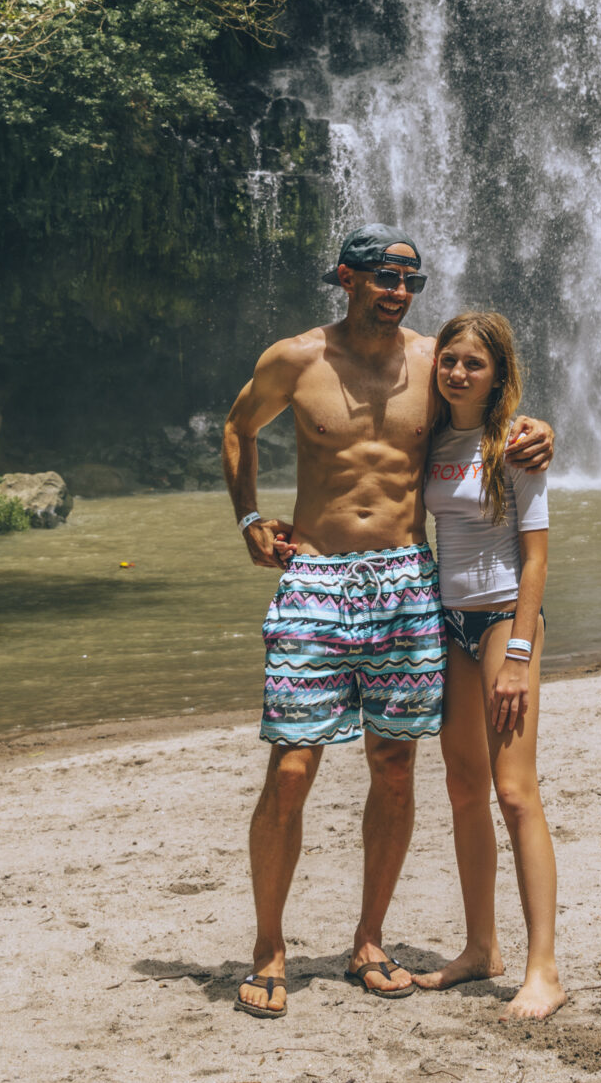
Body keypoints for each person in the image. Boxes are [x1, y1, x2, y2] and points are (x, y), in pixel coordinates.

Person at [221, 224, 554, 1020]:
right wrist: (248, 520)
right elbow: (237, 430)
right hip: (317, 577)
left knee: (396, 768)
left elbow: (491, 406)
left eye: (410, 280)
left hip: (408, 582)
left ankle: (369, 939)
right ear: (345, 277)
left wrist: (537, 430)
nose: (397, 291)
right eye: (381, 277)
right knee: (293, 767)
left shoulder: (432, 363)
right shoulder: (294, 360)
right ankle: (269, 946)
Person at [413, 312, 564, 1019]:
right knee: (464, 787)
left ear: (498, 372)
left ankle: (544, 969)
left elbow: (535, 557)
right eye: (450, 360)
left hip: (507, 619)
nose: (458, 373)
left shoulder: (517, 445)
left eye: (474, 363)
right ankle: (481, 948)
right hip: (449, 622)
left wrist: (521, 655)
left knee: (514, 791)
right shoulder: (433, 438)